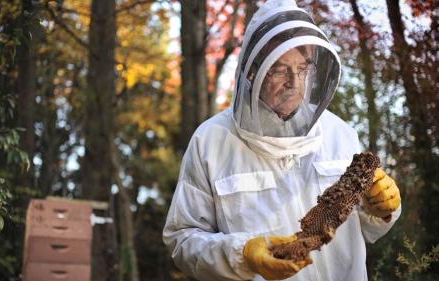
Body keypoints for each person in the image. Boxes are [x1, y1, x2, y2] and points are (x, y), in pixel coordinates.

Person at [162, 0, 401, 280]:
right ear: (253, 72)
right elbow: (183, 241)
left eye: (302, 68)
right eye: (279, 69)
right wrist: (242, 254)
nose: (294, 82)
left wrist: (381, 211)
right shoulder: (211, 141)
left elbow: (365, 230)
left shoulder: (340, 133)